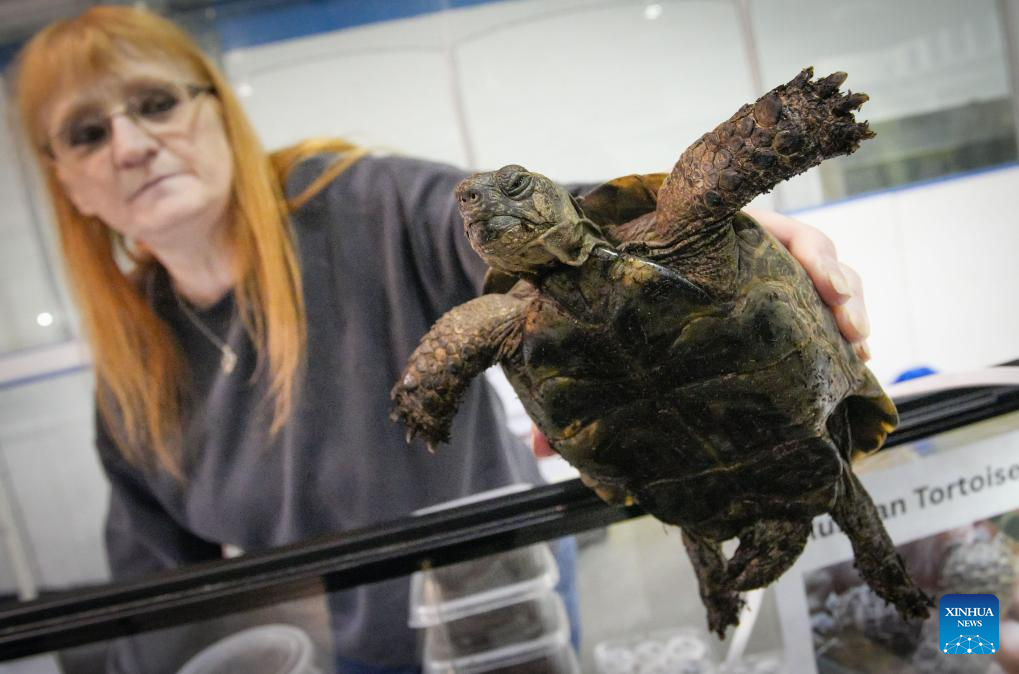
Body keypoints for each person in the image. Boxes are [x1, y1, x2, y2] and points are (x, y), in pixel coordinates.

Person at [13, 6, 873, 673]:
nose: (130, 143)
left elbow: (540, 228)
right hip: (338, 656)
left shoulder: (361, 204)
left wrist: (690, 216)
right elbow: (157, 600)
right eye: (87, 132)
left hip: (505, 624)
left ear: (215, 111)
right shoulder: (134, 368)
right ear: (66, 181)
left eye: (155, 102)